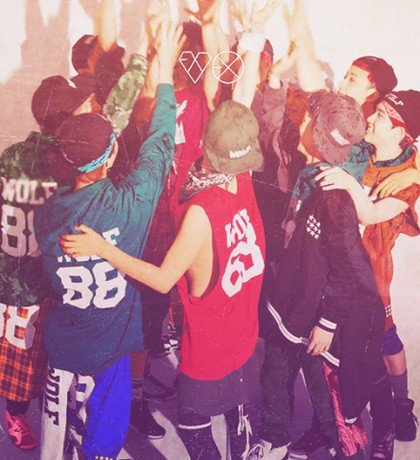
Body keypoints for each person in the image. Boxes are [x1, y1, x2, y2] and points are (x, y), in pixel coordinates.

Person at [58, 6, 279, 456]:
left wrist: (173, 45)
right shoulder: (238, 175)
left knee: (191, 405)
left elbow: (226, 88)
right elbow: (240, 97)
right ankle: (234, 430)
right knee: (159, 318)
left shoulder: (202, 189)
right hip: (175, 243)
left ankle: (222, 422)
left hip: (186, 253)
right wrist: (251, 36)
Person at [34, 23, 183, 460]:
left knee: (56, 435)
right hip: (111, 350)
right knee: (102, 436)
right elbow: (161, 143)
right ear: (112, 156)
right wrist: (164, 71)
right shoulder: (131, 204)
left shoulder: (48, 214)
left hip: (64, 346)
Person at [0, 18, 147, 450]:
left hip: (10, 277)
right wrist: (141, 62)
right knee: (41, 361)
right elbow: (114, 118)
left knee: (16, 357)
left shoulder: (11, 156)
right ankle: (54, 422)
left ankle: (15, 416)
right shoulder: (64, 164)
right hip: (45, 280)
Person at [258, 90, 395, 460]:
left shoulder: (334, 197)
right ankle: (276, 438)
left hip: (316, 314)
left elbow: (346, 268)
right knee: (275, 372)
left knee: (325, 393)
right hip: (296, 301)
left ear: (319, 136)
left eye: (308, 120)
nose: (300, 122)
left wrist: (327, 323)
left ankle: (341, 447)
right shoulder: (317, 174)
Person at [316, 90, 420, 445]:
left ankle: (399, 408)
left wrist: (348, 182)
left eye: (382, 115)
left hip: (372, 278)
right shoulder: (363, 151)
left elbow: (372, 213)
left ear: (401, 132)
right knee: (339, 347)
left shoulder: (407, 175)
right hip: (338, 268)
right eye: (375, 110)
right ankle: (332, 423)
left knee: (385, 342)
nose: (371, 118)